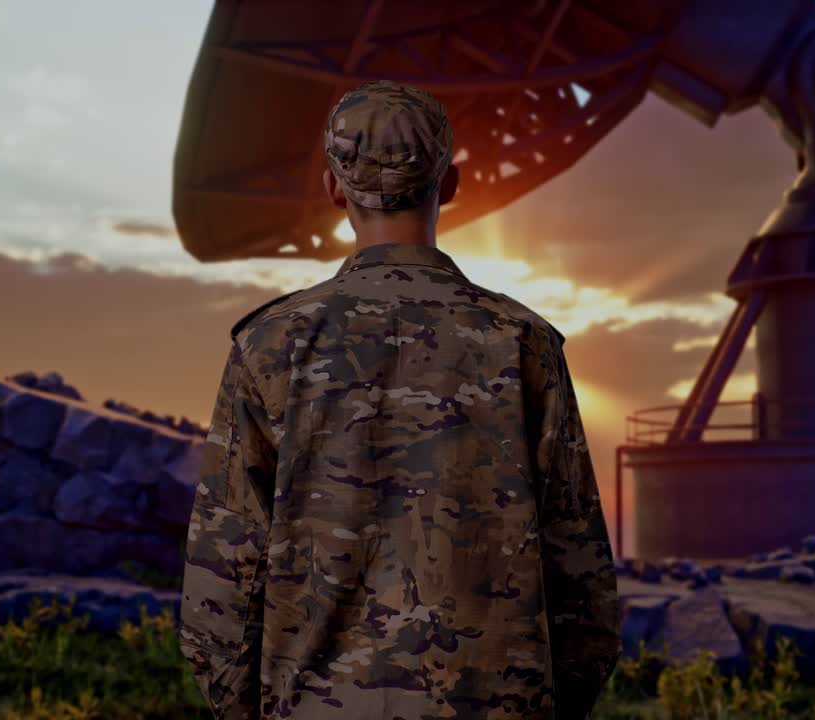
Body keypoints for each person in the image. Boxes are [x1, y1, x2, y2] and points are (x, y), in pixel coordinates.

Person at [179, 79, 619, 720]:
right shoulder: (521, 343)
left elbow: (220, 585)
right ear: (451, 185)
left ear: (335, 188)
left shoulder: (271, 343)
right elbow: (583, 588)